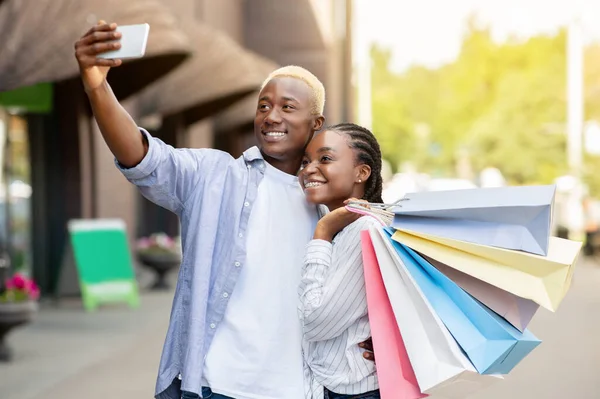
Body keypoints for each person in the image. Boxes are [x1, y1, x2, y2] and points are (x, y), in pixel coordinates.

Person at [73, 21, 373, 399]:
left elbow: (368, 295)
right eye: (264, 105)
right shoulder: (213, 176)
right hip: (215, 386)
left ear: (316, 124)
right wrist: (97, 86)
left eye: (287, 107)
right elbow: (141, 156)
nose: (271, 116)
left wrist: (377, 338)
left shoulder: (333, 206)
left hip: (301, 387)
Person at [298, 123, 383, 399]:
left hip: (349, 391)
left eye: (325, 158)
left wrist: (321, 235)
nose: (309, 169)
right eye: (305, 161)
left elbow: (315, 323)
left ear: (362, 172)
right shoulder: (334, 221)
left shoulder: (364, 229)